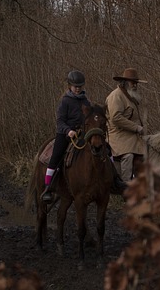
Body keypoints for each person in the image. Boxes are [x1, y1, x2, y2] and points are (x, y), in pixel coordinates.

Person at [41, 70, 127, 203]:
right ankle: (48, 188)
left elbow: (89, 118)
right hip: (65, 134)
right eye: (76, 86)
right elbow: (60, 121)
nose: (78, 88)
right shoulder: (65, 101)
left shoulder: (86, 101)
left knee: (107, 149)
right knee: (56, 156)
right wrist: (68, 130)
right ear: (70, 86)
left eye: (80, 86)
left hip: (82, 133)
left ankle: (115, 180)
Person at [105, 68, 147, 182]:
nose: (135, 85)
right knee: (128, 155)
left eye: (136, 83)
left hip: (131, 136)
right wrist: (136, 128)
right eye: (132, 82)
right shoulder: (116, 96)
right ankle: (125, 184)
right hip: (118, 135)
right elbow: (116, 118)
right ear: (125, 82)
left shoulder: (130, 96)